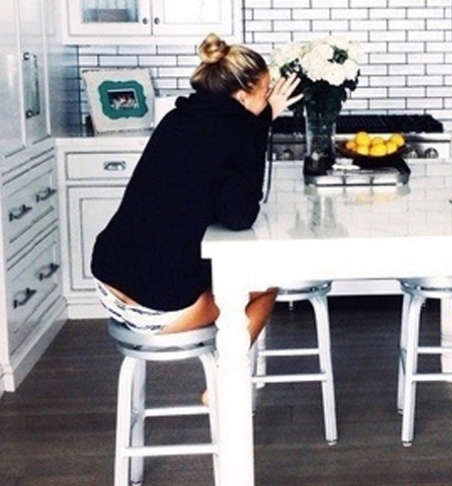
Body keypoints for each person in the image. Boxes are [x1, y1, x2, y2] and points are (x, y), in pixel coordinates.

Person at [92, 33, 302, 341]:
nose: (269, 98)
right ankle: (226, 373)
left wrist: (259, 120)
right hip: (155, 307)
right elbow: (239, 217)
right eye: (265, 91)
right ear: (242, 96)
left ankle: (224, 369)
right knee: (267, 286)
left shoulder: (177, 117)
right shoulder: (239, 133)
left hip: (108, 281)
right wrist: (260, 125)